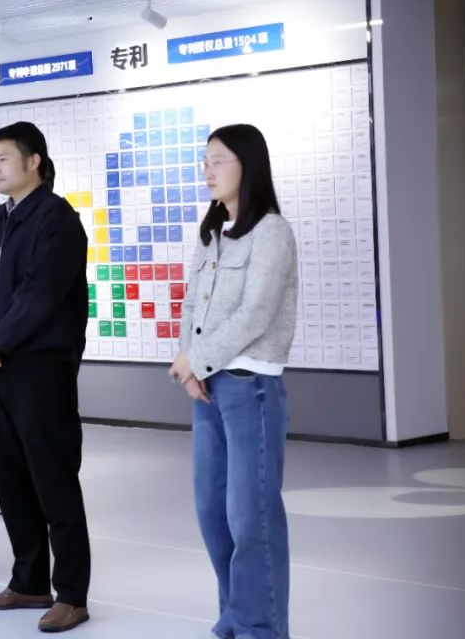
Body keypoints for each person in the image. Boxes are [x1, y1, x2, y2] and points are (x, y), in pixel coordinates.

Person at [169, 124, 298, 639]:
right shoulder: (212, 233)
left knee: (252, 518)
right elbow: (191, 304)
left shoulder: (271, 232)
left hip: (251, 387)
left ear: (249, 164)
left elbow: (256, 313)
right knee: (213, 512)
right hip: (208, 388)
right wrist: (190, 364)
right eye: (205, 161)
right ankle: (235, 617)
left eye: (218, 160)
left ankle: (261, 628)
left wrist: (196, 361)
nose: (208, 170)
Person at [0, 122, 91, 633]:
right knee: (11, 479)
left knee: (53, 480)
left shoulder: (58, 219)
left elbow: (41, 295)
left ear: (34, 161)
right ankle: (30, 581)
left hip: (40, 367)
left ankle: (73, 594)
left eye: (3, 159)